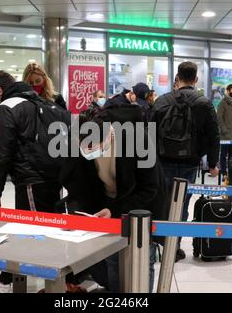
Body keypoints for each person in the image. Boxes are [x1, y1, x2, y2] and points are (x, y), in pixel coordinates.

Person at [61, 105, 168, 292]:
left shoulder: (136, 139)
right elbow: (77, 184)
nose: (89, 152)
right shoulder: (79, 141)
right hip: (107, 205)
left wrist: (115, 210)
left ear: (109, 135)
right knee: (112, 260)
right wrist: (78, 213)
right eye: (85, 148)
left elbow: (149, 187)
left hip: (140, 205)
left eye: (95, 148)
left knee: (142, 259)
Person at [0, 70, 64, 293]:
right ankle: (10, 278)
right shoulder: (42, 102)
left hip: (31, 179)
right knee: (41, 229)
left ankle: (19, 283)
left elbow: (2, 151)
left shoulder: (9, 106)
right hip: (51, 176)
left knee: (34, 232)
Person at [152, 61, 220, 261]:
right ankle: (174, 247)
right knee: (181, 204)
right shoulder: (204, 103)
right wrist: (213, 164)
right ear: (196, 79)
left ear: (177, 78)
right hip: (190, 162)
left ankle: (159, 244)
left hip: (162, 161)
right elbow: (213, 135)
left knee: (162, 201)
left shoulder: (162, 101)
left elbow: (147, 132)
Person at [217, 84, 232, 180]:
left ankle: (231, 173)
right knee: (223, 154)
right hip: (226, 134)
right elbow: (219, 118)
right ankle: (224, 173)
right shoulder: (223, 103)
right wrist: (224, 130)